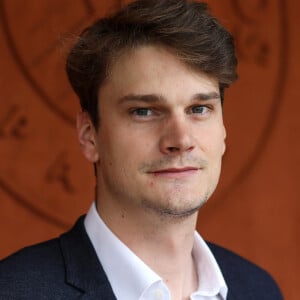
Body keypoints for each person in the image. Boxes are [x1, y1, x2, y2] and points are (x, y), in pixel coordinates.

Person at [0, 0, 283, 299]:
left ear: (223, 129)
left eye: (199, 108)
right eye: (144, 112)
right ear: (89, 135)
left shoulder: (258, 289)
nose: (181, 138)